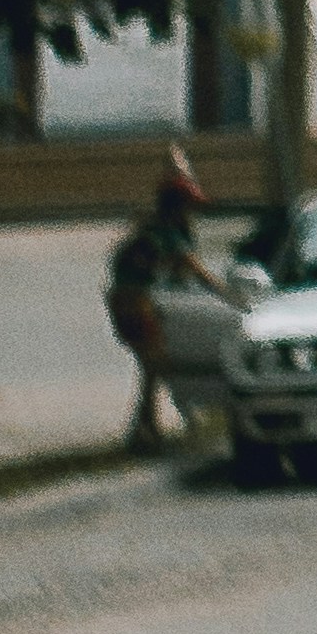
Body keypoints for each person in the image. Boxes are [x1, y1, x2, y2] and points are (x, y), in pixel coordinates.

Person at [104, 152, 221, 453]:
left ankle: (147, 428)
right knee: (154, 366)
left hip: (124, 299)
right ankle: (143, 431)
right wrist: (227, 294)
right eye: (188, 208)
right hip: (135, 302)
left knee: (152, 369)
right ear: (176, 207)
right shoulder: (167, 233)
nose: (192, 214)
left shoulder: (151, 229)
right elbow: (196, 271)